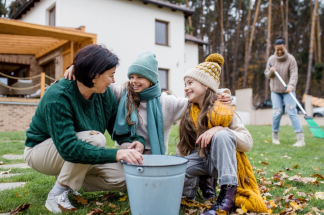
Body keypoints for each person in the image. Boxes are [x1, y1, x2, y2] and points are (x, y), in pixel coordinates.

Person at [64, 51, 233, 200]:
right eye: (131, 77)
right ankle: (72, 184)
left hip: (156, 161)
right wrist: (76, 68)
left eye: (140, 77)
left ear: (151, 78)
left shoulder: (167, 103)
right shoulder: (122, 94)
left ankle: (201, 182)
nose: (133, 82)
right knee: (106, 170)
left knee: (155, 192)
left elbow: (199, 95)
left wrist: (224, 94)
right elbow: (99, 80)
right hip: (128, 156)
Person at [24, 45, 143, 213]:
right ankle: (56, 194)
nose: (114, 81)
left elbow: (118, 129)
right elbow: (68, 148)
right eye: (111, 75)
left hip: (75, 150)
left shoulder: (104, 94)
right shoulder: (58, 97)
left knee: (125, 178)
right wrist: (116, 154)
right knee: (96, 139)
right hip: (41, 152)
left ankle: (70, 180)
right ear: (93, 75)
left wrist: (135, 142)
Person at [178, 54, 269, 214]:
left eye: (190, 83)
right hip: (201, 160)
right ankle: (190, 194)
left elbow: (247, 142)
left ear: (206, 85)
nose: (186, 87)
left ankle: (227, 199)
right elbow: (185, 146)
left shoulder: (223, 109)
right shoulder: (188, 111)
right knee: (176, 166)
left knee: (222, 136)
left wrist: (220, 129)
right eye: (185, 84)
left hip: (223, 163)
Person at [264, 36, 305, 147]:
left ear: (285, 47)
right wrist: (271, 71)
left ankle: (300, 138)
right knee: (277, 112)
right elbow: (267, 74)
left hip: (288, 90)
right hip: (276, 91)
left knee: (292, 111)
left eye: (281, 49)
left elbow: (294, 74)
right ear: (275, 49)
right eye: (277, 49)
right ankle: (275, 136)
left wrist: (291, 86)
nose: (279, 51)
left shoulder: (291, 59)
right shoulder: (271, 59)